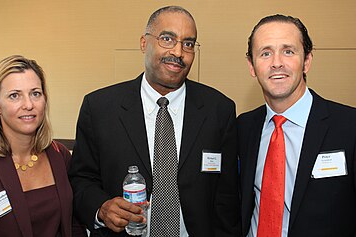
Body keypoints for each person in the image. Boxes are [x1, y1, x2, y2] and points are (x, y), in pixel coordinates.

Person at [69, 5, 240, 237]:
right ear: (143, 43)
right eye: (167, 39)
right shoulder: (99, 108)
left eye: (188, 44)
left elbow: (226, 197)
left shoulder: (219, 110)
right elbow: (82, 179)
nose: (178, 52)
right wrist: (101, 208)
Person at [238, 14, 356, 237]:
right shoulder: (242, 128)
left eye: (288, 51)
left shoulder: (349, 127)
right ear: (252, 66)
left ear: (307, 61)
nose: (276, 62)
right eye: (265, 53)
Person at [0, 55, 87, 236]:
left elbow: (74, 225)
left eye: (35, 93)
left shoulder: (59, 156)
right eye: (14, 96)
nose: (28, 105)